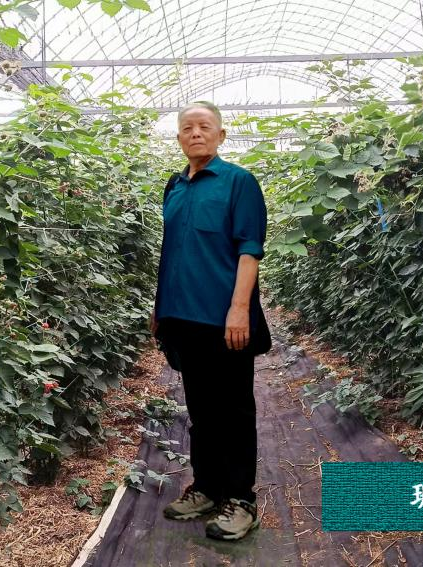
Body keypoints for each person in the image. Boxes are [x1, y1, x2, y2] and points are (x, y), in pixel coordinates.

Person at [151, 101, 269, 541]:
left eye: (204, 126)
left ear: (221, 135)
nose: (195, 133)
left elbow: (249, 249)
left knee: (233, 409)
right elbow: (172, 252)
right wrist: (159, 308)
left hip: (223, 318)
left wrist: (239, 308)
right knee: (200, 409)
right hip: (181, 316)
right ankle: (206, 487)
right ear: (179, 138)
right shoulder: (174, 186)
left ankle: (240, 499)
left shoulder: (238, 182)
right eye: (187, 128)